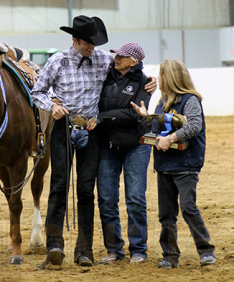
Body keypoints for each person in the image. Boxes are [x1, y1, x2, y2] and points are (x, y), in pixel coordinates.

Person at [30, 15, 157, 267]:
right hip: (63, 128)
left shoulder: (104, 60)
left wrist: (150, 81)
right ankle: (54, 244)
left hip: (92, 130)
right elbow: (38, 92)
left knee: (87, 190)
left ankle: (84, 249)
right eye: (87, 43)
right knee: (59, 185)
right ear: (75, 40)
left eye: (94, 43)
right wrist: (51, 106)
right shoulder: (57, 61)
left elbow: (130, 70)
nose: (92, 47)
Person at [131, 59, 216, 269]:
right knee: (166, 213)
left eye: (162, 74)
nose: (158, 79)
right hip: (165, 165)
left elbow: (195, 125)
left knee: (188, 208)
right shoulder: (162, 102)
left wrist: (172, 138)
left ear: (171, 77)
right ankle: (169, 255)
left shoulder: (190, 100)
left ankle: (206, 250)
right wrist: (144, 118)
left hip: (186, 165)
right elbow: (156, 130)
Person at [95, 42, 152, 264]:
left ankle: (138, 249)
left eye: (122, 56)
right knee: (107, 199)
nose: (116, 58)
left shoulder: (145, 83)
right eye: (116, 54)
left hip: (136, 144)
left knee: (135, 198)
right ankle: (113, 249)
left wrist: (103, 117)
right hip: (108, 143)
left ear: (134, 61)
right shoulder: (104, 76)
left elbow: (135, 114)